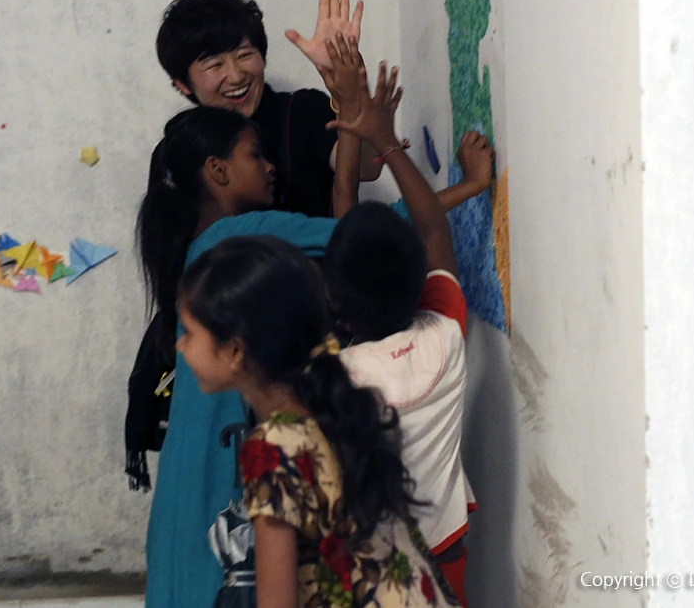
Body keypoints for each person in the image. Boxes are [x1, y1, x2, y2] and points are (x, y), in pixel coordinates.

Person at [131, 105, 341, 608]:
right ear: (217, 170)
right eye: (255, 154)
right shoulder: (236, 235)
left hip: (184, 469)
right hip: (218, 460)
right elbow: (363, 237)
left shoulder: (197, 247)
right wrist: (459, 191)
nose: (270, 167)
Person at [178, 234, 459, 608]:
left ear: (234, 350)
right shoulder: (330, 409)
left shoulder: (271, 449)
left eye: (189, 333)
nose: (180, 345)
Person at [323, 36, 487, 604]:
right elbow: (434, 229)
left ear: (333, 299)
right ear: (420, 277)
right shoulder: (445, 334)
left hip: (366, 568)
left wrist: (352, 117)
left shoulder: (334, 378)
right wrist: (385, 139)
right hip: (444, 556)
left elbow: (344, 199)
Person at [155, 0, 381, 218]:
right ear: (183, 84)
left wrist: (349, 89)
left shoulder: (303, 111)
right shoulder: (175, 151)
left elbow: (367, 168)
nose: (236, 76)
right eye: (215, 65)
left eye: (244, 55)